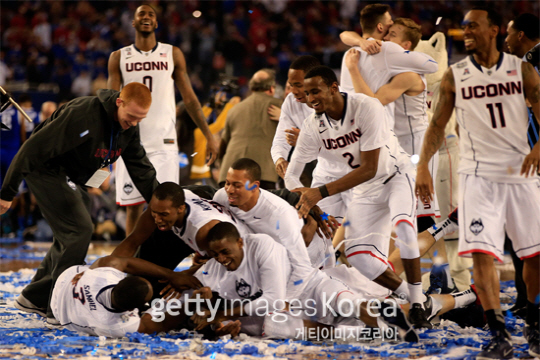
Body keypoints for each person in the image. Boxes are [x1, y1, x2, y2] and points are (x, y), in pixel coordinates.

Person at [415, 8, 540, 358]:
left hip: (519, 174)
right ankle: (497, 331)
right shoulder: (457, 75)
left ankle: (535, 322)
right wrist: (423, 164)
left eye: (473, 26)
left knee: (534, 256)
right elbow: (437, 125)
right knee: (482, 256)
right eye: (464, 26)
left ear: (495, 30)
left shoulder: (522, 69)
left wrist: (538, 149)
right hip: (476, 177)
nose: (466, 31)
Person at [285, 66, 431, 329]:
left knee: (404, 227)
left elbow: (370, 167)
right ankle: (410, 296)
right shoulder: (312, 125)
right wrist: (311, 205)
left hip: (395, 175)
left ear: (333, 87)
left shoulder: (366, 106)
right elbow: (292, 175)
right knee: (356, 254)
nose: (310, 98)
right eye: (306, 93)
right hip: (364, 189)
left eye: (315, 91)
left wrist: (319, 193)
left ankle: (418, 305)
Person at [0, 82, 158, 324]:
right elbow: (31, 149)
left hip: (73, 178)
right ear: (119, 102)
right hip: (47, 170)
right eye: (131, 116)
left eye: (140, 119)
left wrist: (159, 204)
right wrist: (7, 192)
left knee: (70, 236)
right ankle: (58, 307)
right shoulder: (82, 113)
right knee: (79, 230)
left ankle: (34, 297)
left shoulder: (128, 127)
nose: (134, 123)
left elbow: (141, 168)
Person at [190, 222, 419, 342]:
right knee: (274, 325)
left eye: (224, 252)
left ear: (240, 242)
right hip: (293, 312)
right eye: (215, 254)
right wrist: (215, 324)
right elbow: (197, 302)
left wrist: (222, 314)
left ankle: (418, 306)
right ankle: (390, 326)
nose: (221, 258)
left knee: (352, 302)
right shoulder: (214, 271)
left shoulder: (261, 246)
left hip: (316, 285)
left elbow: (274, 300)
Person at [108, 4, 218, 235]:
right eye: (141, 14)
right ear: (133, 22)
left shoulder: (172, 53)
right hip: (130, 142)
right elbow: (109, 105)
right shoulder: (118, 57)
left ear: (156, 23)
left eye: (151, 15)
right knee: (133, 208)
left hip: (164, 141)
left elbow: (190, 99)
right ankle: (132, 261)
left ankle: (162, 262)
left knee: (168, 208)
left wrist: (209, 135)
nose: (146, 17)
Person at [342, 18, 441, 226]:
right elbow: (345, 35)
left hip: (415, 146)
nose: (384, 39)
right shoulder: (391, 67)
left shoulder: (408, 75)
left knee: (420, 216)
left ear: (406, 47)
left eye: (392, 35)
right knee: (398, 212)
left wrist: (353, 70)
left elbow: (372, 103)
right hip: (399, 145)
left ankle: (420, 256)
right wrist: (361, 42)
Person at [111, 182, 251, 290]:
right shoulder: (160, 207)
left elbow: (222, 264)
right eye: (155, 213)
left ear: (181, 208)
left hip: (242, 255)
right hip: (200, 199)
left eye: (163, 215)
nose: (158, 219)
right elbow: (132, 241)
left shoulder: (203, 232)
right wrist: (103, 277)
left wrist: (187, 274)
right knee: (142, 281)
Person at [213, 158, 332, 282]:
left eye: (237, 186)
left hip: (311, 255)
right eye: (227, 183)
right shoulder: (221, 197)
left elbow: (301, 268)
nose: (230, 190)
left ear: (255, 187)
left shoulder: (280, 214)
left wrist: (284, 299)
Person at [51, 255, 201, 337]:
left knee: (105, 263)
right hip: (61, 312)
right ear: (135, 309)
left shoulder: (105, 273)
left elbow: (127, 262)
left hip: (66, 280)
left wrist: (171, 275)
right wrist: (193, 301)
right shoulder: (116, 326)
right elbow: (159, 325)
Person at [218, 69, 283, 190]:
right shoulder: (281, 107)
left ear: (252, 88)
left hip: (229, 175)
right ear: (271, 88)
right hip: (263, 175)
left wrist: (221, 167)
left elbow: (223, 146)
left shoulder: (234, 110)